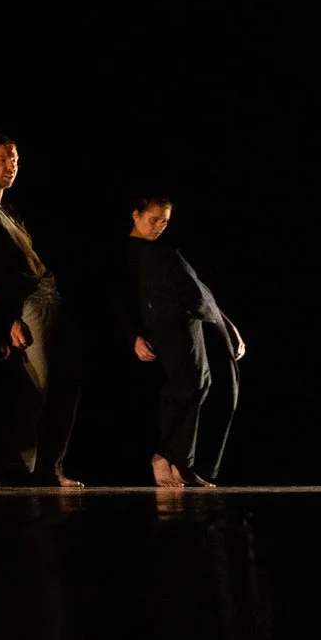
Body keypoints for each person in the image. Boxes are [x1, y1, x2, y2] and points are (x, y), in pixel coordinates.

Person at [0, 131, 83, 487]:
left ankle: (38, 467)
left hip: (45, 294)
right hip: (25, 300)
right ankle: (32, 467)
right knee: (46, 384)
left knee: (51, 384)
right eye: (3, 159)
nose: (12, 166)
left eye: (15, 159)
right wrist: (6, 317)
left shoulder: (8, 209)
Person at [118, 192, 245, 487]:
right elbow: (118, 298)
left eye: (164, 221)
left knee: (210, 385)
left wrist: (228, 325)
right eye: (153, 219)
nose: (159, 226)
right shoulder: (127, 252)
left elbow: (201, 291)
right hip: (165, 322)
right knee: (188, 383)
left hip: (196, 317)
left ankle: (183, 461)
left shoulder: (165, 249)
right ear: (135, 215)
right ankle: (166, 455)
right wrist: (132, 336)